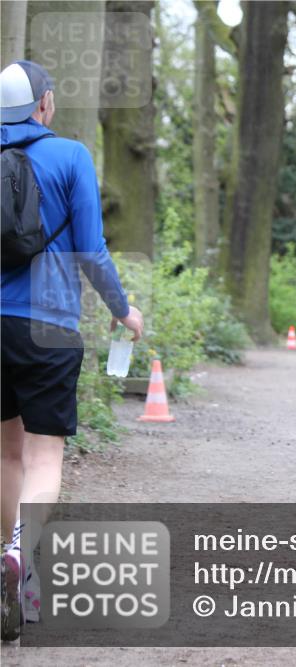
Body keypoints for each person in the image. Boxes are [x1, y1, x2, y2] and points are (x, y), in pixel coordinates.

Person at [1, 61, 144, 639]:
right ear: (44, 105)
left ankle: (8, 567)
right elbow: (91, 249)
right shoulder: (70, 156)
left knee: (7, 454)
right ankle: (19, 554)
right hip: (49, 327)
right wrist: (122, 308)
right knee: (43, 458)